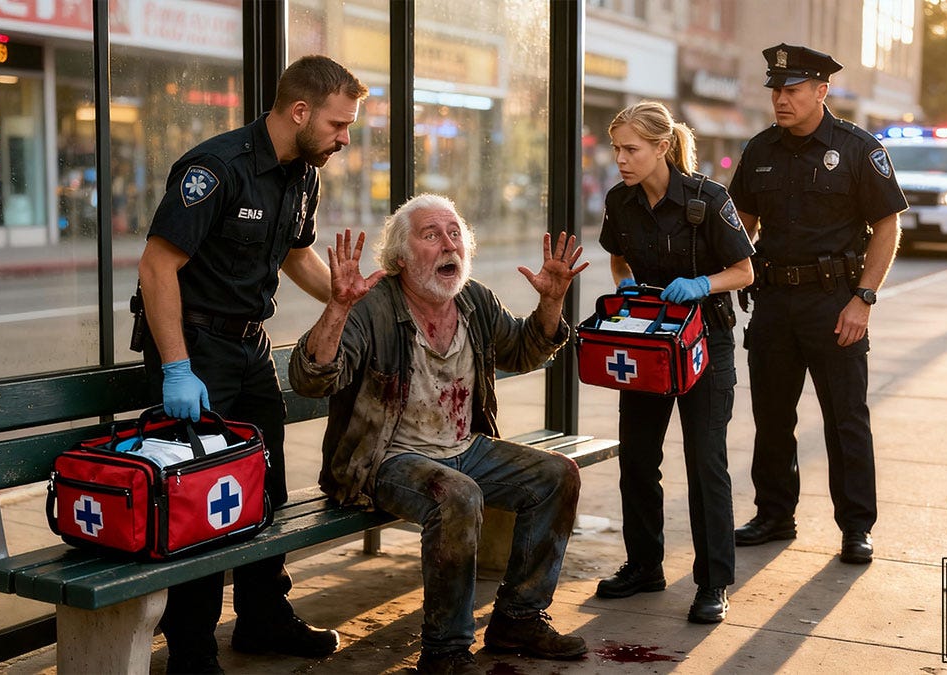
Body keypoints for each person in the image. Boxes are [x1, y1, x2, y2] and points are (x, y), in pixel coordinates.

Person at [288, 194, 590, 674]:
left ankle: (519, 617)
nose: (448, 245)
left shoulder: (473, 299)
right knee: (458, 496)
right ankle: (445, 652)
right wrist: (338, 307)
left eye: (454, 234)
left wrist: (550, 302)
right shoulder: (374, 308)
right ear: (401, 258)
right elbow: (310, 380)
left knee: (557, 475)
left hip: (463, 450)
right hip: (382, 459)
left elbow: (524, 352)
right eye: (430, 235)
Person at [136, 55, 368, 674]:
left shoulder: (302, 173)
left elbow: (295, 254)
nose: (345, 139)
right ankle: (191, 650)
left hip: (248, 344)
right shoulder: (216, 169)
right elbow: (158, 266)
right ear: (300, 112)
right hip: (195, 346)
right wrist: (177, 368)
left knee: (266, 487)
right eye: (339, 125)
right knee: (200, 498)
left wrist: (339, 295)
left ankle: (264, 619)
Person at [727, 44, 906, 565]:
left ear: (821, 91)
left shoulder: (857, 148)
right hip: (774, 301)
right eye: (776, 91)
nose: (780, 100)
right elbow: (742, 221)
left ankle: (856, 527)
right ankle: (775, 513)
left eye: (792, 90)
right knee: (772, 416)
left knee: (845, 418)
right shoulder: (760, 150)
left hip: (835, 303)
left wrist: (863, 299)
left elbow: (887, 225)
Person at [593, 101, 755, 624]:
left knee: (705, 461)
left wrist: (704, 284)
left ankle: (713, 583)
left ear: (662, 147)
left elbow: (744, 270)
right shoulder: (620, 202)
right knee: (638, 456)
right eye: (617, 148)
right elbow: (617, 255)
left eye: (631, 149)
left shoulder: (708, 200)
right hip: (647, 343)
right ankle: (644, 565)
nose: (620, 158)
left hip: (704, 341)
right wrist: (625, 287)